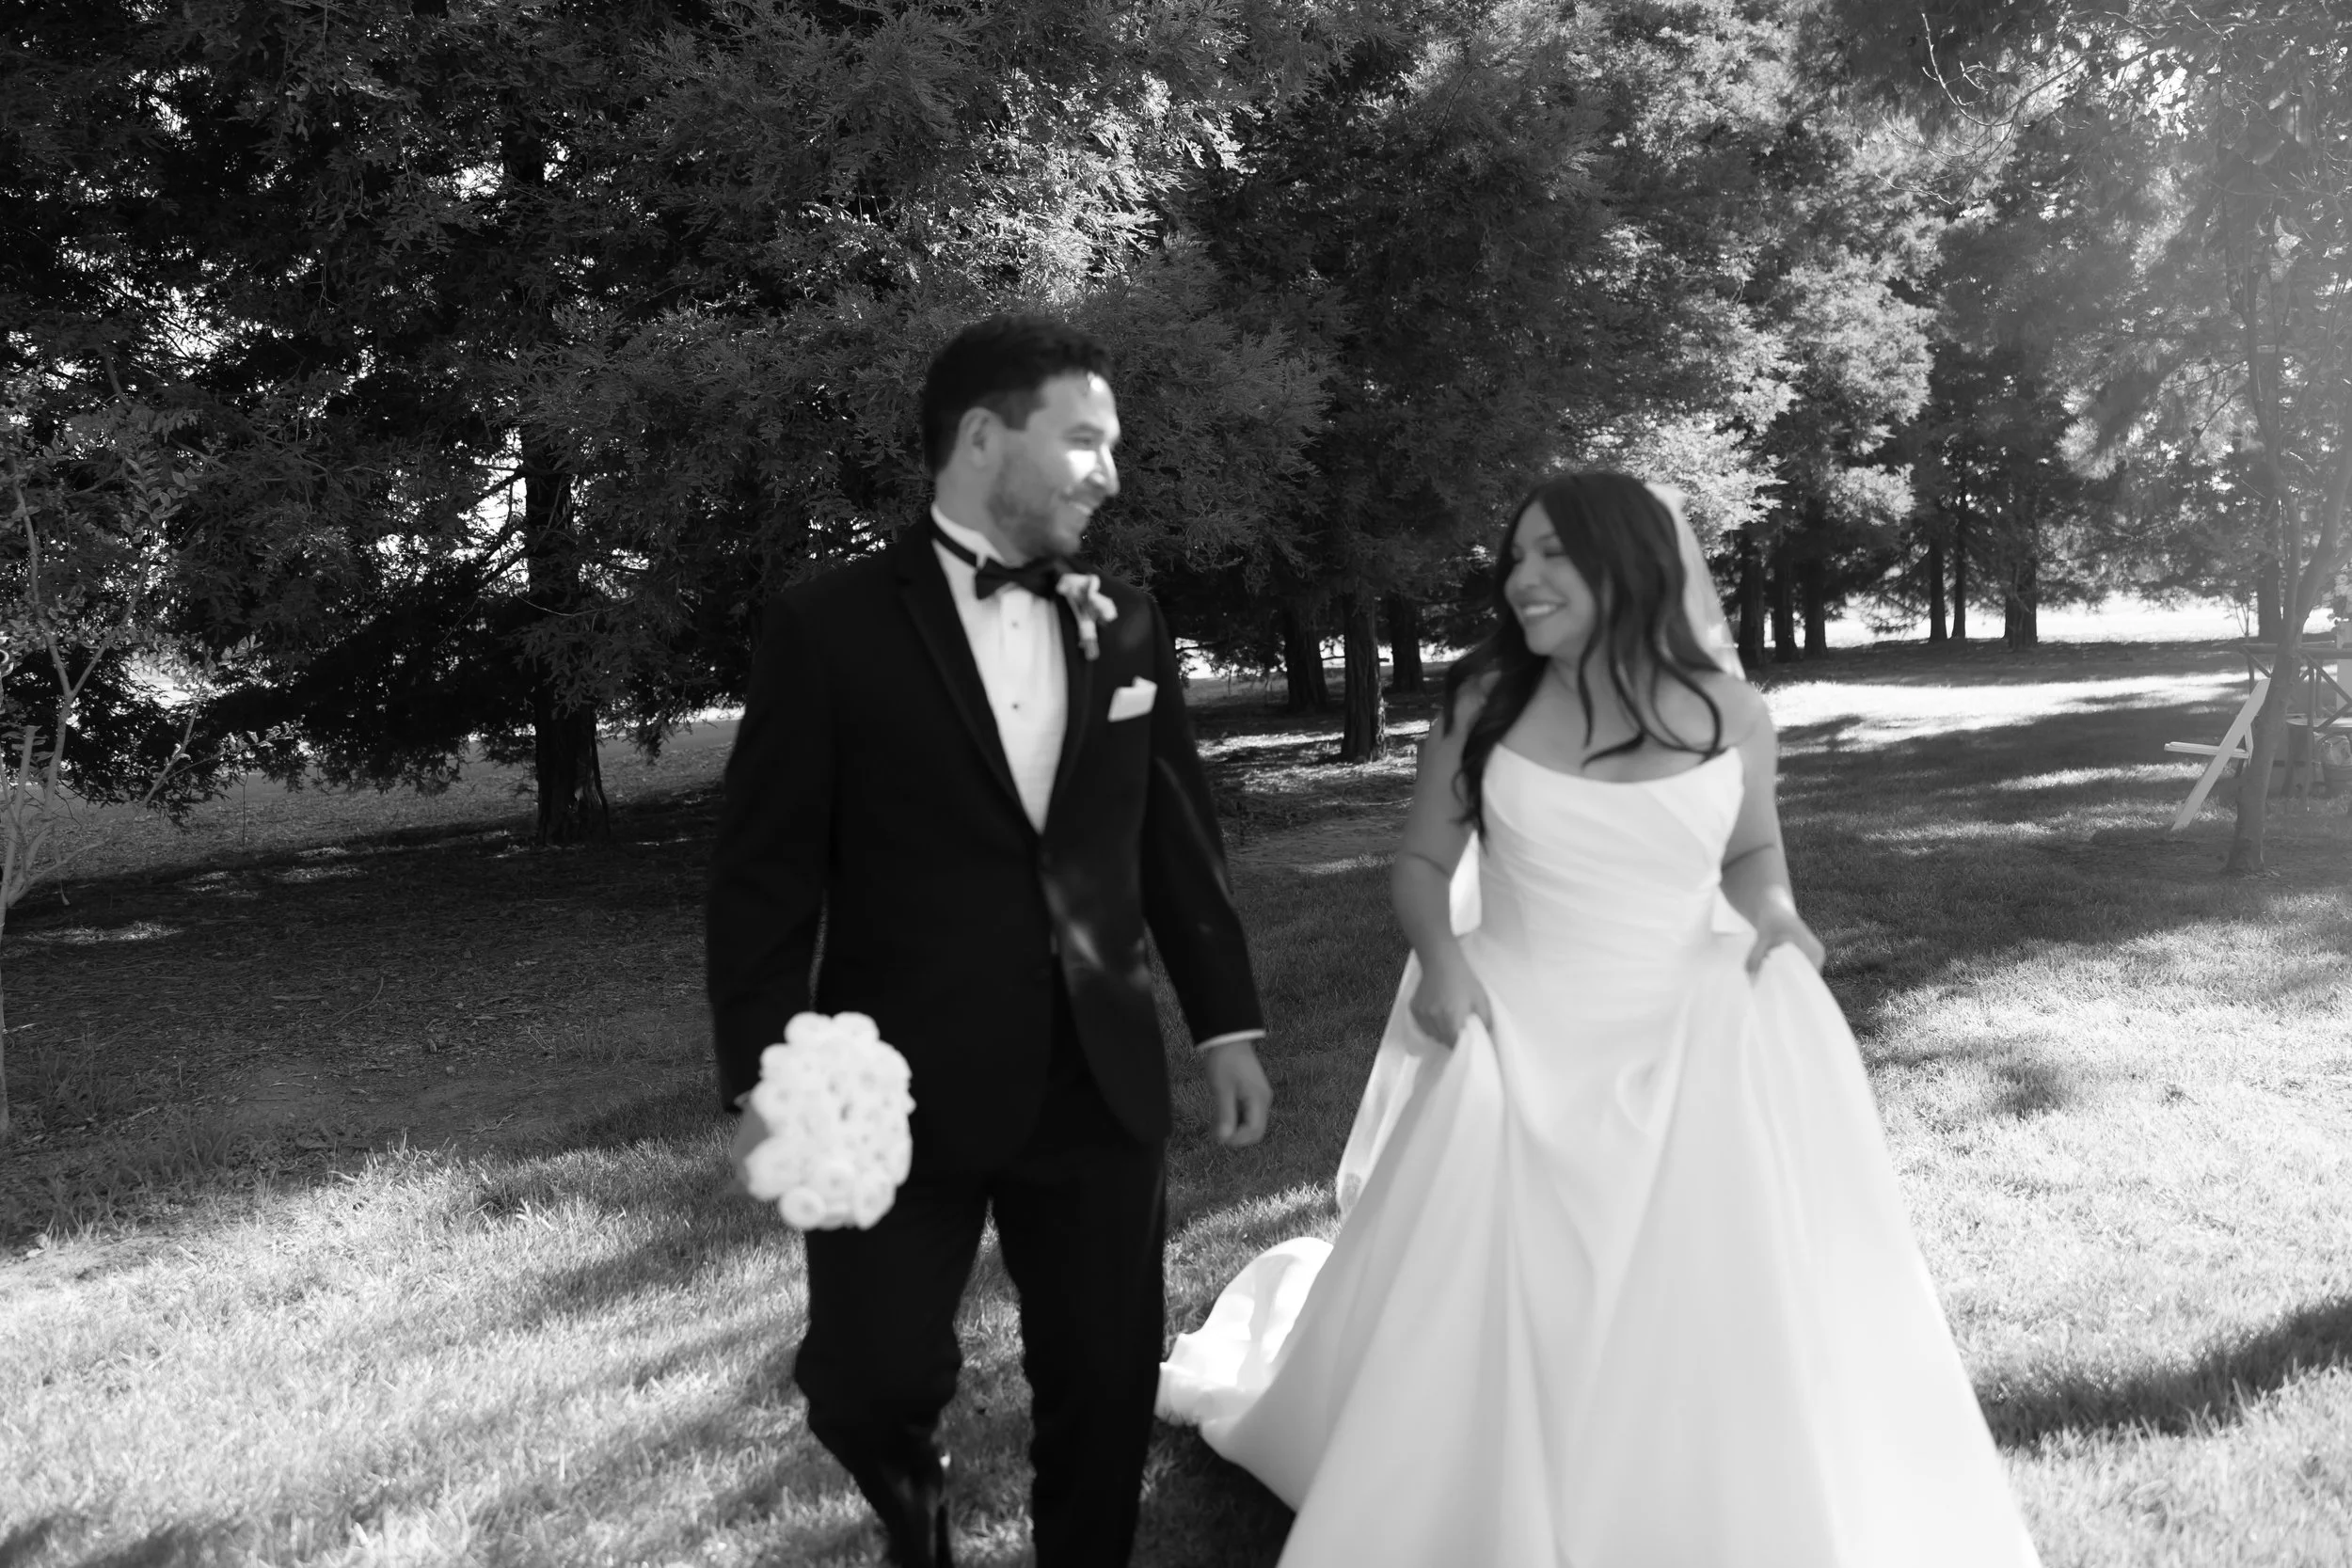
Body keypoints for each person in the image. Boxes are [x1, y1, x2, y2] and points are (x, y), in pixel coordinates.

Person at [1158, 473, 2042, 1566]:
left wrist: (1775, 916)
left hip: (1687, 1033)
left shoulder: (1730, 711)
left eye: (1551, 556)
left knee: (1698, 1273)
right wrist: (1439, 961)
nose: (1522, 578)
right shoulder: (1484, 701)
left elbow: (1751, 853)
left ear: (1627, 563)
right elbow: (1425, 863)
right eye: (1514, 557)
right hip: (1517, 1030)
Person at [708, 314, 1274, 1567]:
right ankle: (920, 1526)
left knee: (1108, 1372)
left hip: (1096, 1065)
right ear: (981, 436)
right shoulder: (829, 625)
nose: (1109, 471)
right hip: (891, 1080)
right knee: (862, 1379)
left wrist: (1225, 1018)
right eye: (1083, 439)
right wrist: (760, 1076)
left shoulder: (1128, 619)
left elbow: (1175, 833)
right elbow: (762, 881)